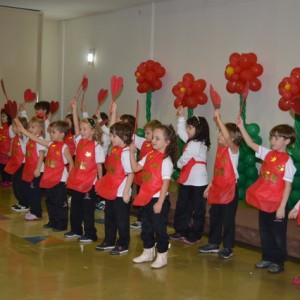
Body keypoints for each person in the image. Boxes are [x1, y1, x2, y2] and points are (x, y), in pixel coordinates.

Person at [236, 117, 296, 274]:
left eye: (277, 137)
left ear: (287, 141)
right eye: (272, 137)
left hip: (277, 205)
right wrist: (242, 127)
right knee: (265, 231)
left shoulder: (288, 162)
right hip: (265, 203)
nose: (273, 140)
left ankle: (278, 261)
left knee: (278, 234)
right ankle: (267, 257)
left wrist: (282, 207)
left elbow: (288, 186)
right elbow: (250, 144)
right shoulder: (268, 154)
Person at [130, 124, 177, 269]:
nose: (153, 141)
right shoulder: (149, 155)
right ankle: (148, 251)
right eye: (153, 137)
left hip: (158, 199)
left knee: (159, 228)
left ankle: (162, 255)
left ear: (167, 142)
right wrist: (131, 153)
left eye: (157, 138)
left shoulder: (166, 160)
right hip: (145, 197)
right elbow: (136, 168)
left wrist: (160, 202)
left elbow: (165, 183)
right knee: (146, 226)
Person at [198, 109, 242, 259]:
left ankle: (228, 247)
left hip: (230, 190)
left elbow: (229, 139)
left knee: (227, 219)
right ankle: (213, 243)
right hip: (217, 189)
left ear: (232, 138)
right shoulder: (220, 150)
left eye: (222, 134)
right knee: (214, 216)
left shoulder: (233, 151)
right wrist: (209, 187)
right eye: (220, 133)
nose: (219, 135)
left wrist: (218, 120)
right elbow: (217, 173)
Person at [16, 119, 74, 231]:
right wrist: (23, 130)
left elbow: (71, 163)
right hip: (49, 179)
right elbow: (35, 139)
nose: (51, 134)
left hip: (60, 180)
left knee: (59, 203)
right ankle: (53, 221)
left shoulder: (64, 147)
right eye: (51, 132)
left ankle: (62, 224)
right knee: (50, 201)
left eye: (54, 132)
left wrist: (69, 178)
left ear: (62, 134)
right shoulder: (50, 144)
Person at [65, 99, 105, 242]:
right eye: (81, 129)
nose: (81, 131)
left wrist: (100, 182)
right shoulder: (78, 141)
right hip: (77, 180)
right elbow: (75, 125)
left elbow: (99, 165)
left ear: (93, 131)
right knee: (75, 207)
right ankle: (76, 229)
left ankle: (90, 234)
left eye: (84, 129)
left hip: (90, 183)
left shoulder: (97, 147)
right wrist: (75, 109)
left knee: (88, 210)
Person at [169, 106, 210, 244]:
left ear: (199, 130)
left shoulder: (196, 143)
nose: (187, 129)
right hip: (187, 181)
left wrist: (178, 165)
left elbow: (185, 158)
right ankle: (181, 230)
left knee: (197, 209)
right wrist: (181, 117)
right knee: (183, 206)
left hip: (198, 183)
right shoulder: (192, 140)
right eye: (188, 127)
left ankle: (195, 234)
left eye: (191, 127)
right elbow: (181, 133)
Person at [95, 121, 134, 255]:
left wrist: (126, 192)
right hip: (111, 188)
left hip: (121, 191)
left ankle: (123, 243)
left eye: (113, 136)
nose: (111, 138)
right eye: (111, 135)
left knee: (121, 219)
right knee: (109, 216)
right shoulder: (115, 149)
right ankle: (109, 240)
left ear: (123, 137)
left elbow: (130, 174)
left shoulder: (126, 153)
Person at [131, 119, 162, 230]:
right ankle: (140, 220)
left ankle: (147, 220)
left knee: (149, 201)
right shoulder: (143, 142)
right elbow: (132, 136)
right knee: (140, 198)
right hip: (142, 178)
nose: (145, 135)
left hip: (151, 181)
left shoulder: (158, 148)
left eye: (148, 133)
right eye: (145, 133)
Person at [21, 116, 47, 220]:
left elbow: (41, 156)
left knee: (34, 192)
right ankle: (34, 210)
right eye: (29, 127)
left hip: (37, 170)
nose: (30, 129)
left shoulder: (40, 140)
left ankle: (36, 213)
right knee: (29, 191)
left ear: (40, 129)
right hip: (29, 169)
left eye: (33, 127)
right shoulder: (30, 139)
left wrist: (37, 169)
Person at [5, 117, 29, 211]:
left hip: (22, 166)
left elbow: (21, 133)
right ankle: (21, 202)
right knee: (15, 185)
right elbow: (10, 130)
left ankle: (25, 204)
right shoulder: (15, 137)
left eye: (15, 126)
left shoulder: (23, 138)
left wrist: (18, 122)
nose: (12, 128)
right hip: (16, 166)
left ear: (20, 128)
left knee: (20, 186)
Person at [0, 109, 13, 187]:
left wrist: (10, 151)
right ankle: (4, 180)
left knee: (6, 166)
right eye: (1, 116)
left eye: (4, 116)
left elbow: (12, 140)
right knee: (2, 166)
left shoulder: (10, 127)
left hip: (7, 152)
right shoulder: (2, 127)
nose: (2, 118)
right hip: (1, 151)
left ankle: (8, 180)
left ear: (8, 117)